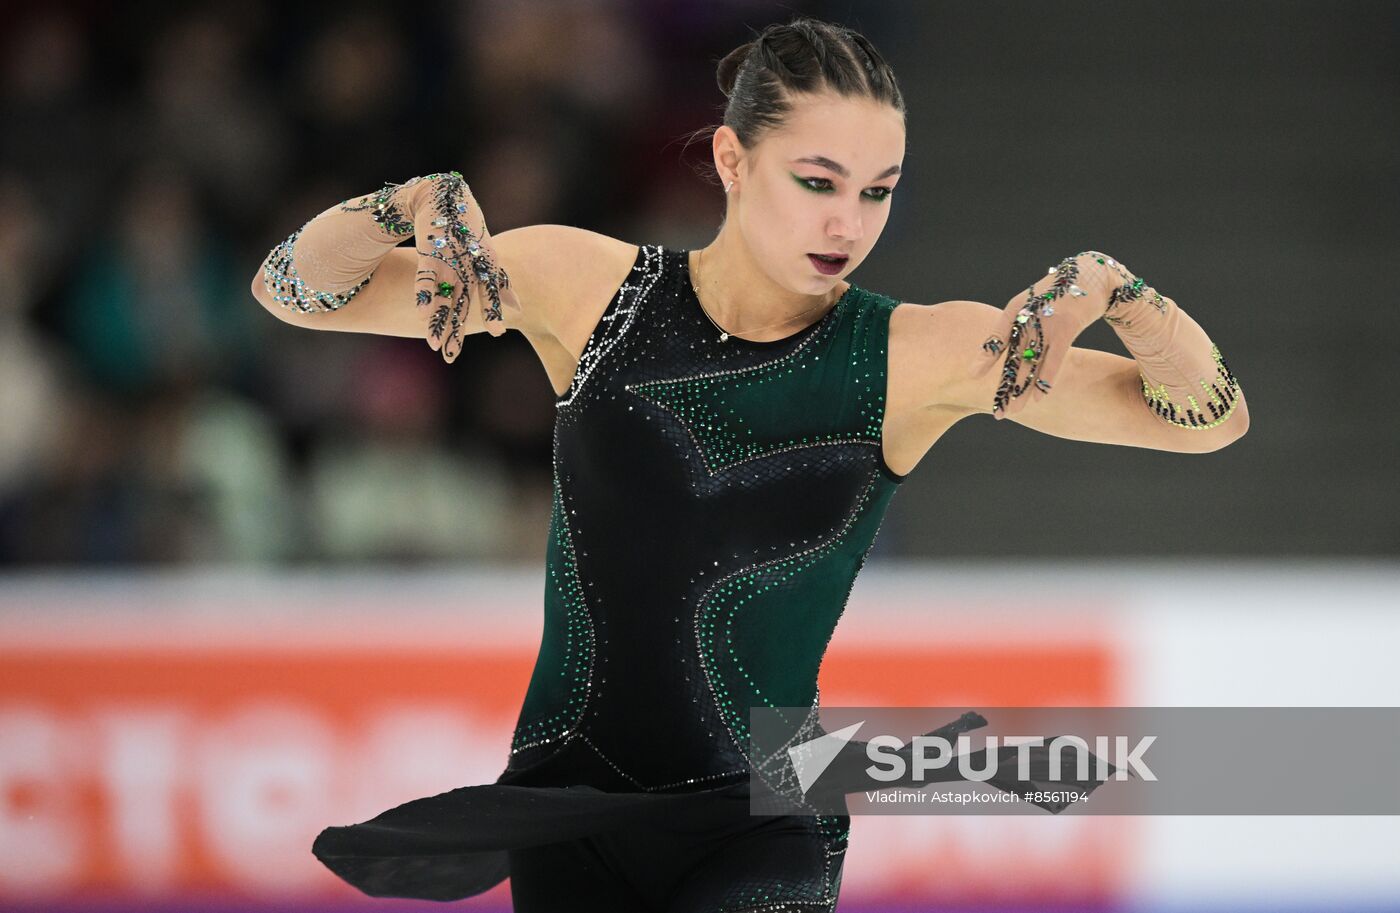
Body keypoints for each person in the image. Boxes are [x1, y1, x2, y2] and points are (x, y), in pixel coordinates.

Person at [251, 15, 1248, 912]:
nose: (846, 223)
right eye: (814, 182)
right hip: (568, 806)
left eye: (877, 191)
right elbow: (292, 289)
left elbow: (1204, 416)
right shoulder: (592, 293)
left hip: (770, 808)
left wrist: (1118, 294)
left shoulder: (914, 357)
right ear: (730, 159)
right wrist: (402, 206)